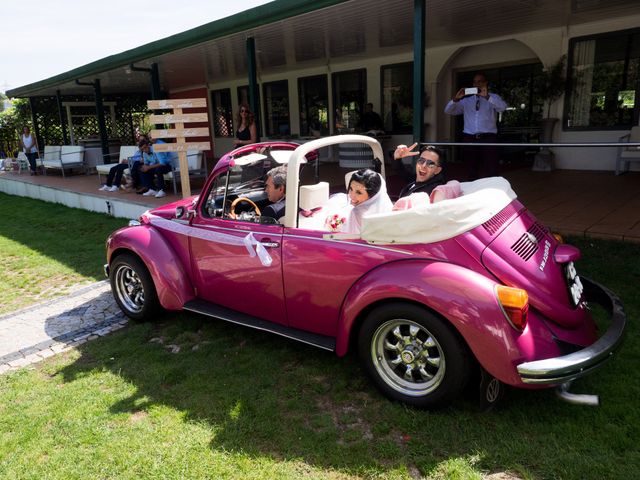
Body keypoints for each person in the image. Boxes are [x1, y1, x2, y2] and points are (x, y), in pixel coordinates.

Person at [444, 72, 507, 180]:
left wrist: (487, 97)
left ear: (485, 83)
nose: (477, 84)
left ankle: (492, 190)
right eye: (475, 82)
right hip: (470, 137)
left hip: (488, 137)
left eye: (480, 81)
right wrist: (456, 99)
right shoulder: (466, 101)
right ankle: (472, 190)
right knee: (471, 168)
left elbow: (502, 108)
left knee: (491, 168)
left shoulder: (493, 97)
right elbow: (448, 110)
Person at [326, 168, 393, 234]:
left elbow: (351, 240)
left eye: (358, 193)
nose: (351, 196)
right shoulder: (387, 207)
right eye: (351, 189)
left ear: (372, 195)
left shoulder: (357, 213)